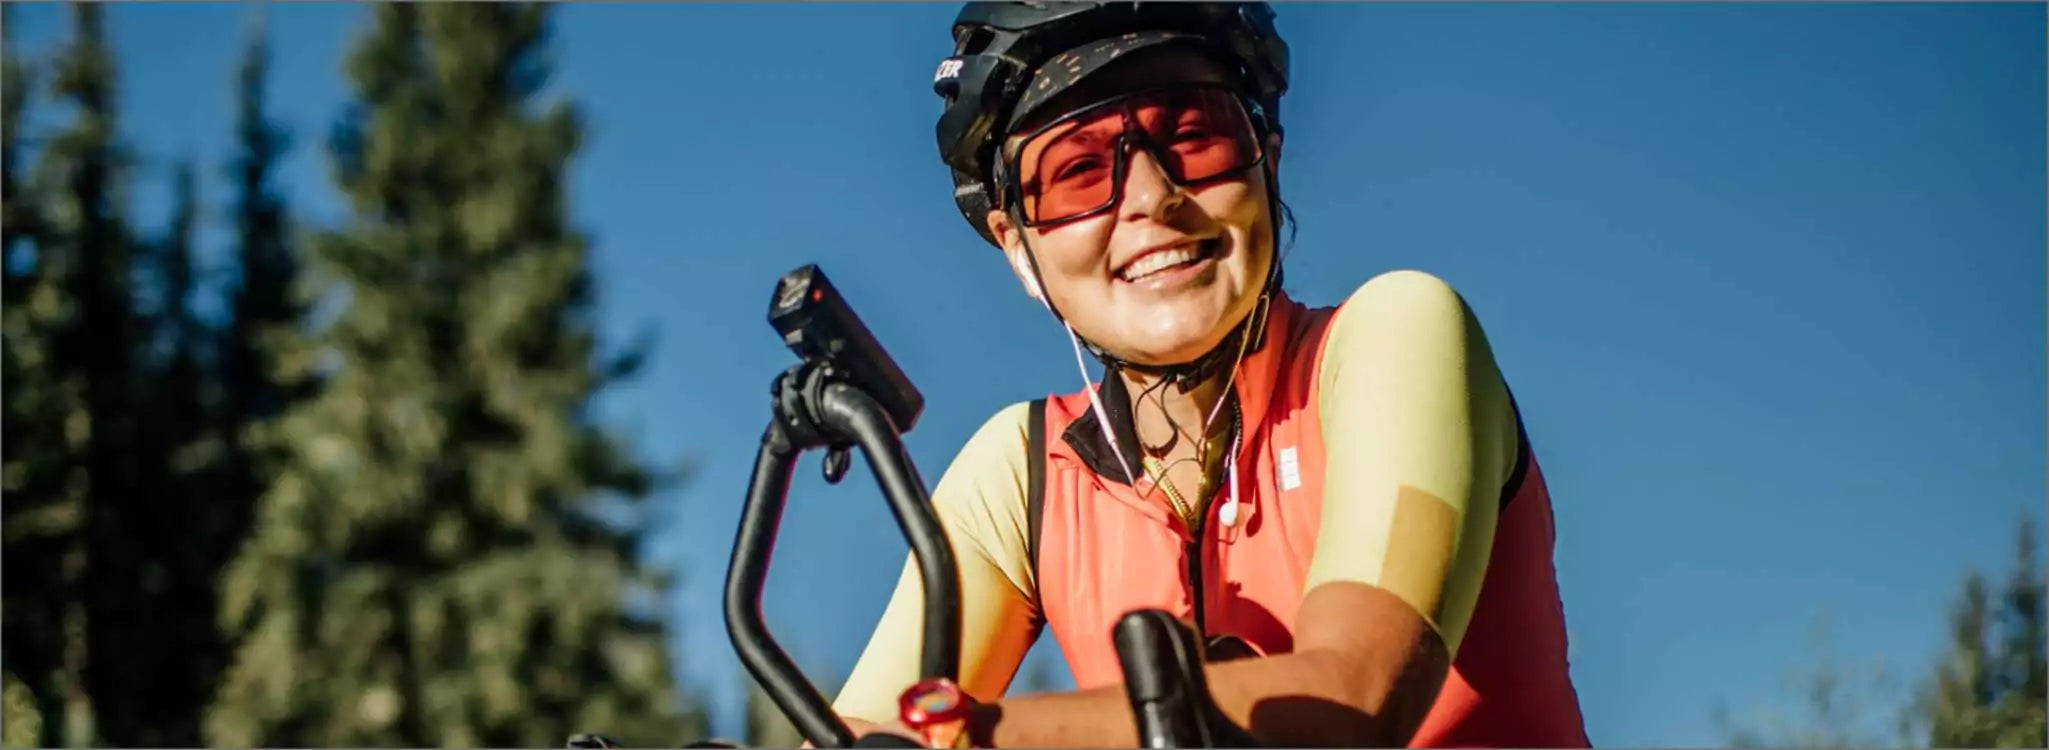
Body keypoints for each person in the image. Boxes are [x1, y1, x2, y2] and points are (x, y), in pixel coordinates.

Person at [830, 3, 1591, 747]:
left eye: (1194, 137)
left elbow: (1345, 702)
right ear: (1017, 247)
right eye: (1078, 172)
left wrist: (961, 737)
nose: (1150, 198)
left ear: (1269, 159)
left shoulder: (1393, 335)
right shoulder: (1021, 471)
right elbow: (851, 731)